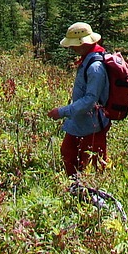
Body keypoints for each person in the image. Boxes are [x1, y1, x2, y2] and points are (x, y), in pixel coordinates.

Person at [47, 21, 111, 176]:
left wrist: (62, 112)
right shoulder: (87, 61)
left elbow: (90, 100)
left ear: (83, 43)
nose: (71, 48)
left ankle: (91, 196)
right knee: (68, 153)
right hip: (80, 122)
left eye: (73, 44)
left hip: (93, 125)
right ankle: (74, 190)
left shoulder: (95, 67)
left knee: (92, 166)